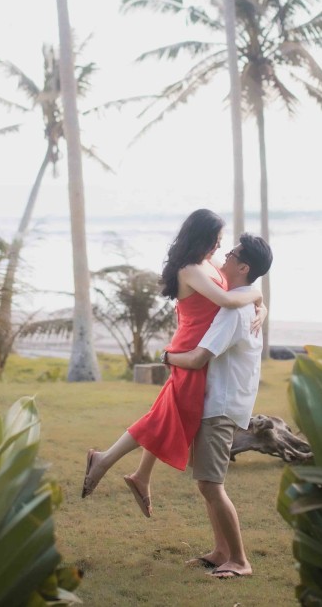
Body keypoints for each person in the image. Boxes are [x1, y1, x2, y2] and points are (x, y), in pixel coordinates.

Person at [81, 209, 263, 516]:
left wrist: (261, 306)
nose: (220, 246)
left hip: (202, 349)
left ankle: (138, 475)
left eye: (221, 240)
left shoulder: (208, 263)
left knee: (170, 413)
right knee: (170, 415)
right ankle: (107, 462)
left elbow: (236, 290)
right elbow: (228, 300)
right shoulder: (190, 269)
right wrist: (257, 295)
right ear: (201, 237)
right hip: (191, 350)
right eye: (216, 239)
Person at [165, 233, 272, 580]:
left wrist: (166, 356)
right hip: (226, 401)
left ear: (244, 267)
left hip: (221, 405)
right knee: (206, 482)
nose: (224, 257)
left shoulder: (234, 311)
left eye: (232, 255)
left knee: (211, 484)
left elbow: (198, 358)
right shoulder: (246, 302)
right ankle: (221, 552)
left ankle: (240, 560)